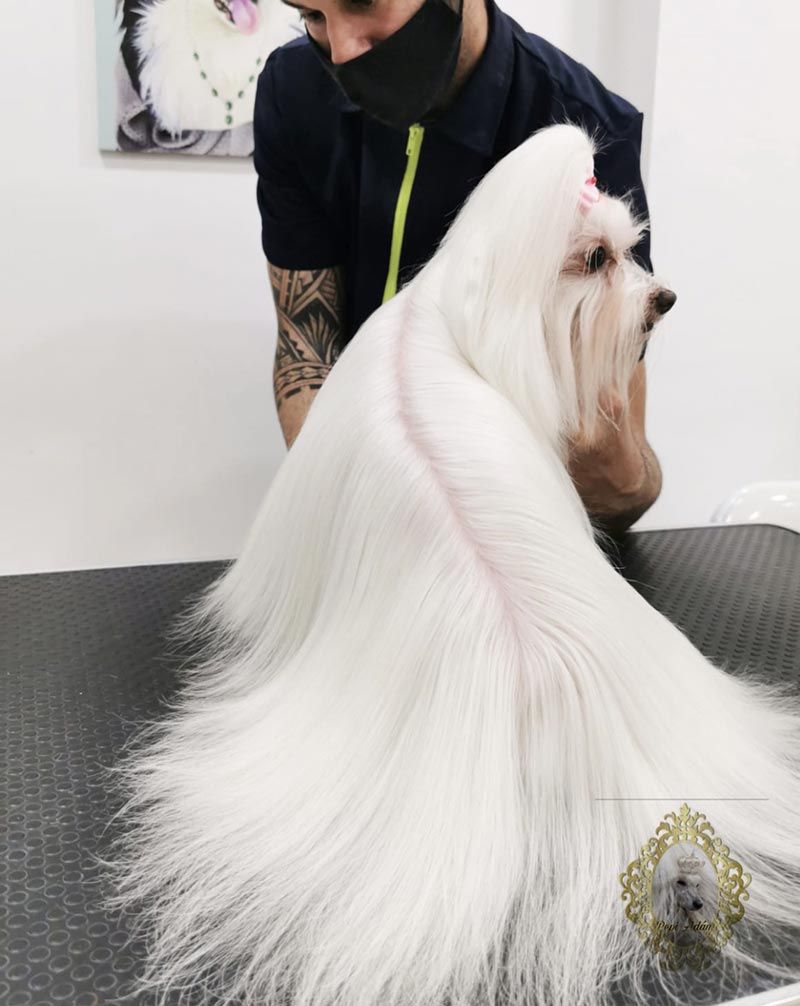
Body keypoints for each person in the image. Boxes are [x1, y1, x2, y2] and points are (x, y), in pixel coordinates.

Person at [253, 0, 662, 534]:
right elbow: (306, 350)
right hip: (365, 519)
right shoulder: (296, 91)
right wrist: (355, 520)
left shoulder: (587, 127)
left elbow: (626, 485)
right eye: (311, 15)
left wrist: (615, 471)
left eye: (361, 2)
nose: (341, 49)